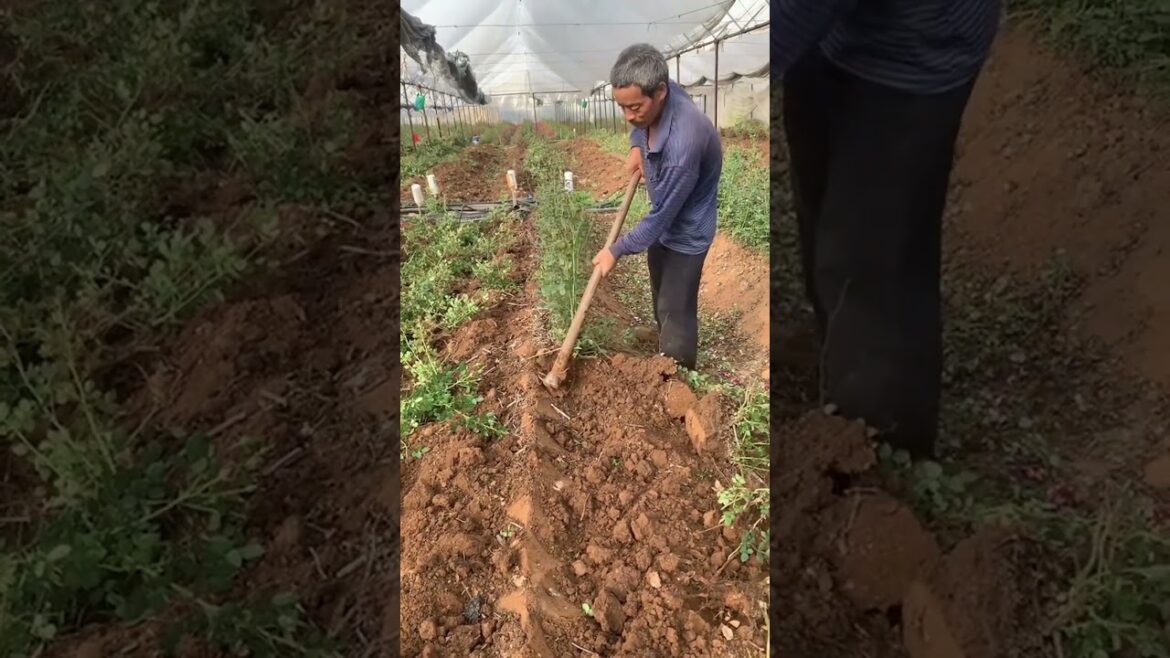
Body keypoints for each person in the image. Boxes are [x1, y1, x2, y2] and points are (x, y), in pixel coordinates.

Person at [772, 0, 1002, 458]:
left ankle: (880, 452)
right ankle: (843, 374)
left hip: (911, 58)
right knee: (823, 225)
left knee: (870, 264)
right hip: (834, 35)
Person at [592, 43, 723, 370]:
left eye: (635, 108)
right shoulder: (664, 93)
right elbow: (642, 127)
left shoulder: (683, 144)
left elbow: (662, 216)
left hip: (687, 231)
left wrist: (616, 249)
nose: (629, 116)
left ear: (660, 91)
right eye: (622, 108)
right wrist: (638, 144)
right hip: (666, 225)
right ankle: (662, 336)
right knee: (659, 289)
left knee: (674, 305)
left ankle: (677, 373)